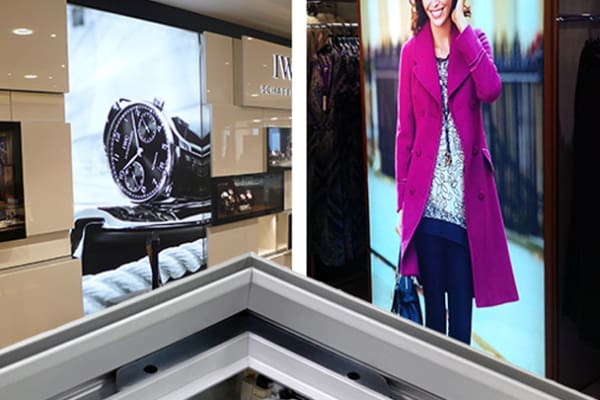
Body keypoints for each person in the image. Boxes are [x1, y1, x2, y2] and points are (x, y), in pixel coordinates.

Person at [394, 0, 519, 344]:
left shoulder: (474, 41)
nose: (434, 2)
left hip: (466, 206)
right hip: (427, 202)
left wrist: (462, 28)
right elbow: (405, 133)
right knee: (434, 313)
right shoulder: (411, 53)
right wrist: (403, 204)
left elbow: (491, 89)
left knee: (461, 316)